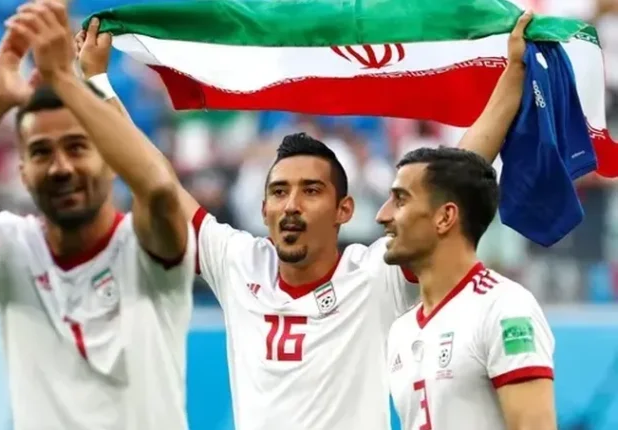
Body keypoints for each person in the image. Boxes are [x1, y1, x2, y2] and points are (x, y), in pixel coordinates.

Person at [79, 9, 533, 430]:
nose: (291, 205)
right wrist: (97, 83)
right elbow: (153, 179)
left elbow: (452, 181)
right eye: (279, 192)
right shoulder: (237, 263)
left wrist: (512, 76)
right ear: (263, 209)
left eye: (311, 191)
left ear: (344, 210)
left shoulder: (376, 277)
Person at [0, 2, 195, 429]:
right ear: (22, 172)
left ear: (111, 159)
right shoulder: (12, 250)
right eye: (40, 152)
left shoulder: (148, 249)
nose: (60, 167)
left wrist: (65, 80)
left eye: (77, 147)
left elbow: (161, 189)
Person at [379, 147, 556, 430]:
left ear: (445, 217)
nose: (382, 215)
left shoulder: (506, 308)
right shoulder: (402, 329)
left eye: (400, 200)